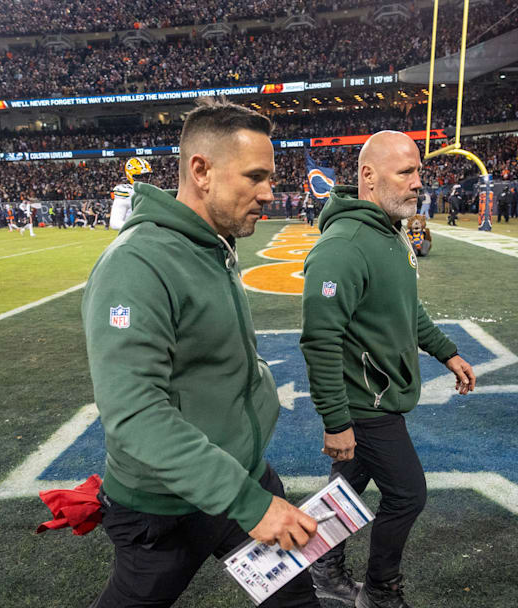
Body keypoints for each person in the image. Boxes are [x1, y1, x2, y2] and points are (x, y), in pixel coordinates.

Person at [81, 98, 321, 608]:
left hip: (239, 473)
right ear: (201, 170)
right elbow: (134, 413)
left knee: (295, 599)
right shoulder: (137, 264)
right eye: (255, 177)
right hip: (165, 503)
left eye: (270, 177)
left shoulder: (211, 242)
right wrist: (247, 502)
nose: (268, 193)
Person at [301, 131, 477, 608]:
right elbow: (320, 341)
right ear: (368, 177)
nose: (419, 182)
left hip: (376, 394)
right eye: (406, 172)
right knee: (406, 494)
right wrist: (336, 422)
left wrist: (446, 352)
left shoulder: (388, 231)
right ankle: (380, 593)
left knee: (345, 490)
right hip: (364, 403)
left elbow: (406, 308)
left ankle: (323, 572)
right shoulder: (345, 245)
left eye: (418, 171)